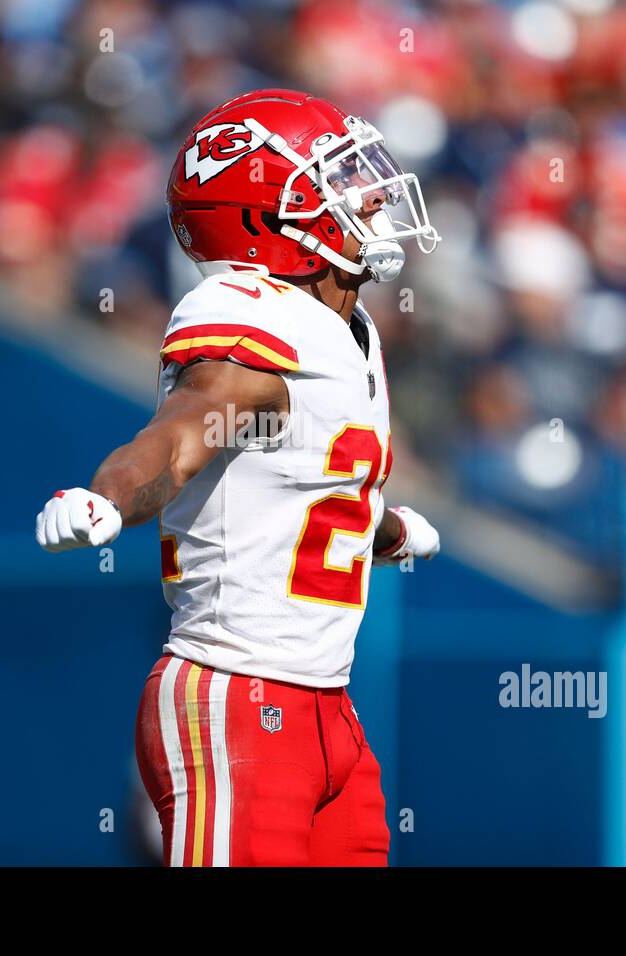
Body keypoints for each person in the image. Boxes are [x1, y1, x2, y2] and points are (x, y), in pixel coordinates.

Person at [36, 89, 442, 866]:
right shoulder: (250, 310)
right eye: (333, 180)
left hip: (327, 704)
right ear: (265, 216)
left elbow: (296, 481)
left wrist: (381, 527)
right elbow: (189, 428)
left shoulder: (347, 329)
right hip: (239, 697)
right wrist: (109, 499)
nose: (369, 193)